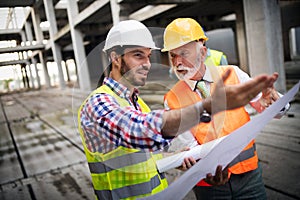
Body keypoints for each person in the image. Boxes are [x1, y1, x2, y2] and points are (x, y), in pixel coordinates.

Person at [78, 20, 279, 200]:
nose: (147, 64)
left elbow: (151, 154)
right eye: (138, 55)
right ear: (115, 58)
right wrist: (207, 106)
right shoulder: (98, 103)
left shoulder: (138, 104)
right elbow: (139, 131)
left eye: (149, 56)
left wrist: (180, 158)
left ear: (202, 50)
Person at [162, 18, 290, 200]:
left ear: (203, 51)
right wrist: (205, 169)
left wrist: (275, 104)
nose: (177, 62)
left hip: (249, 178)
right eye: (173, 55)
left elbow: (276, 111)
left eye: (183, 53)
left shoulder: (233, 73)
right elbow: (188, 147)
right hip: (208, 186)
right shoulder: (172, 98)